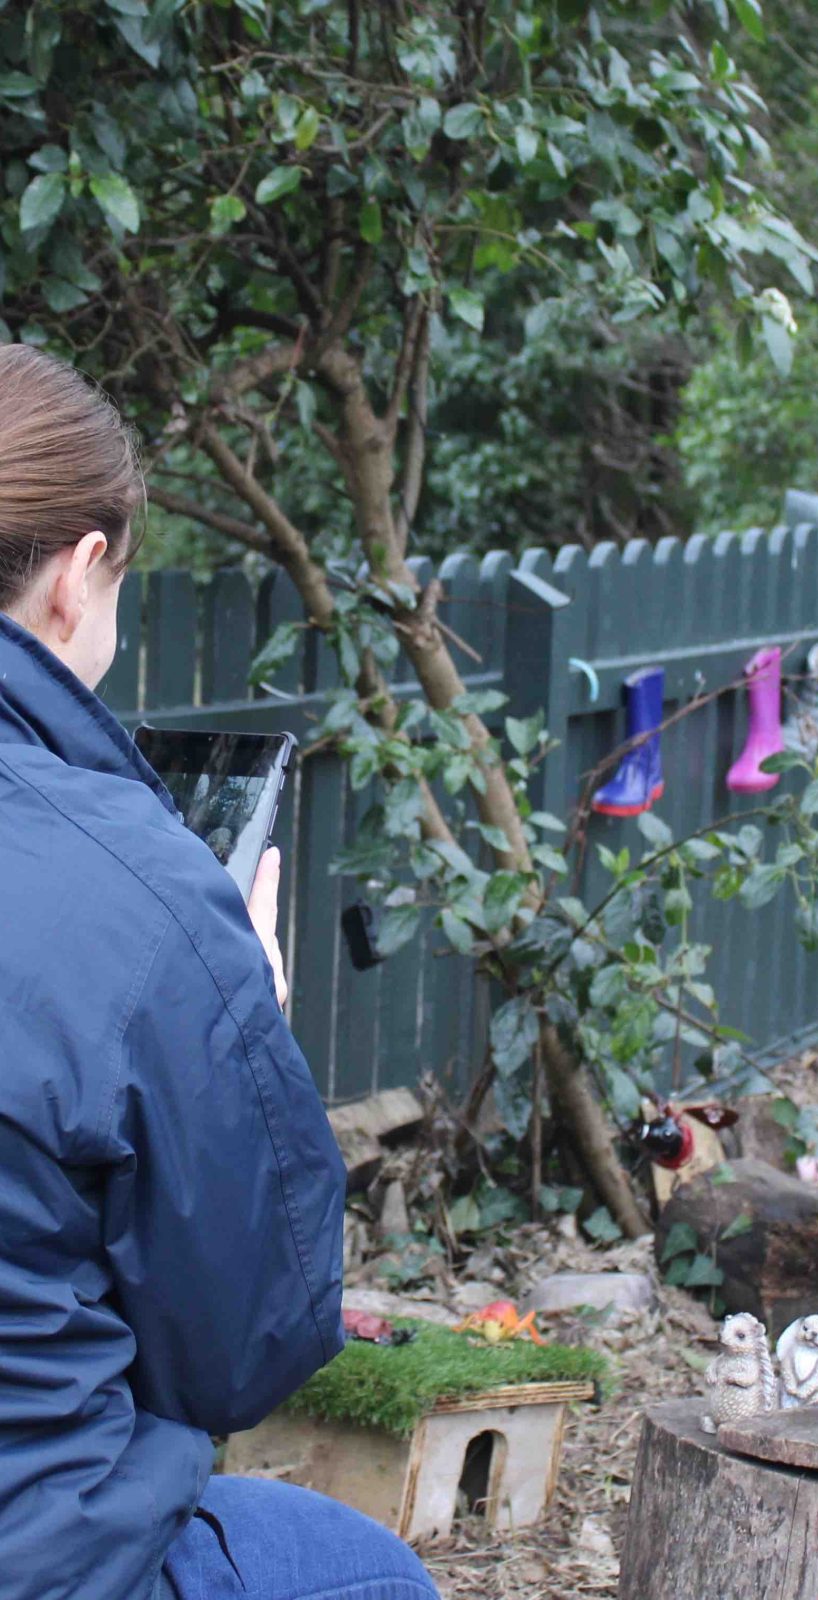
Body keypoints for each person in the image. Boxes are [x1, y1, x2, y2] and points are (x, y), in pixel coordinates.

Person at [0, 345, 437, 1599]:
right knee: (369, 1575)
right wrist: (243, 1020)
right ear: (80, 576)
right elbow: (241, 1357)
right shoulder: (143, 902)